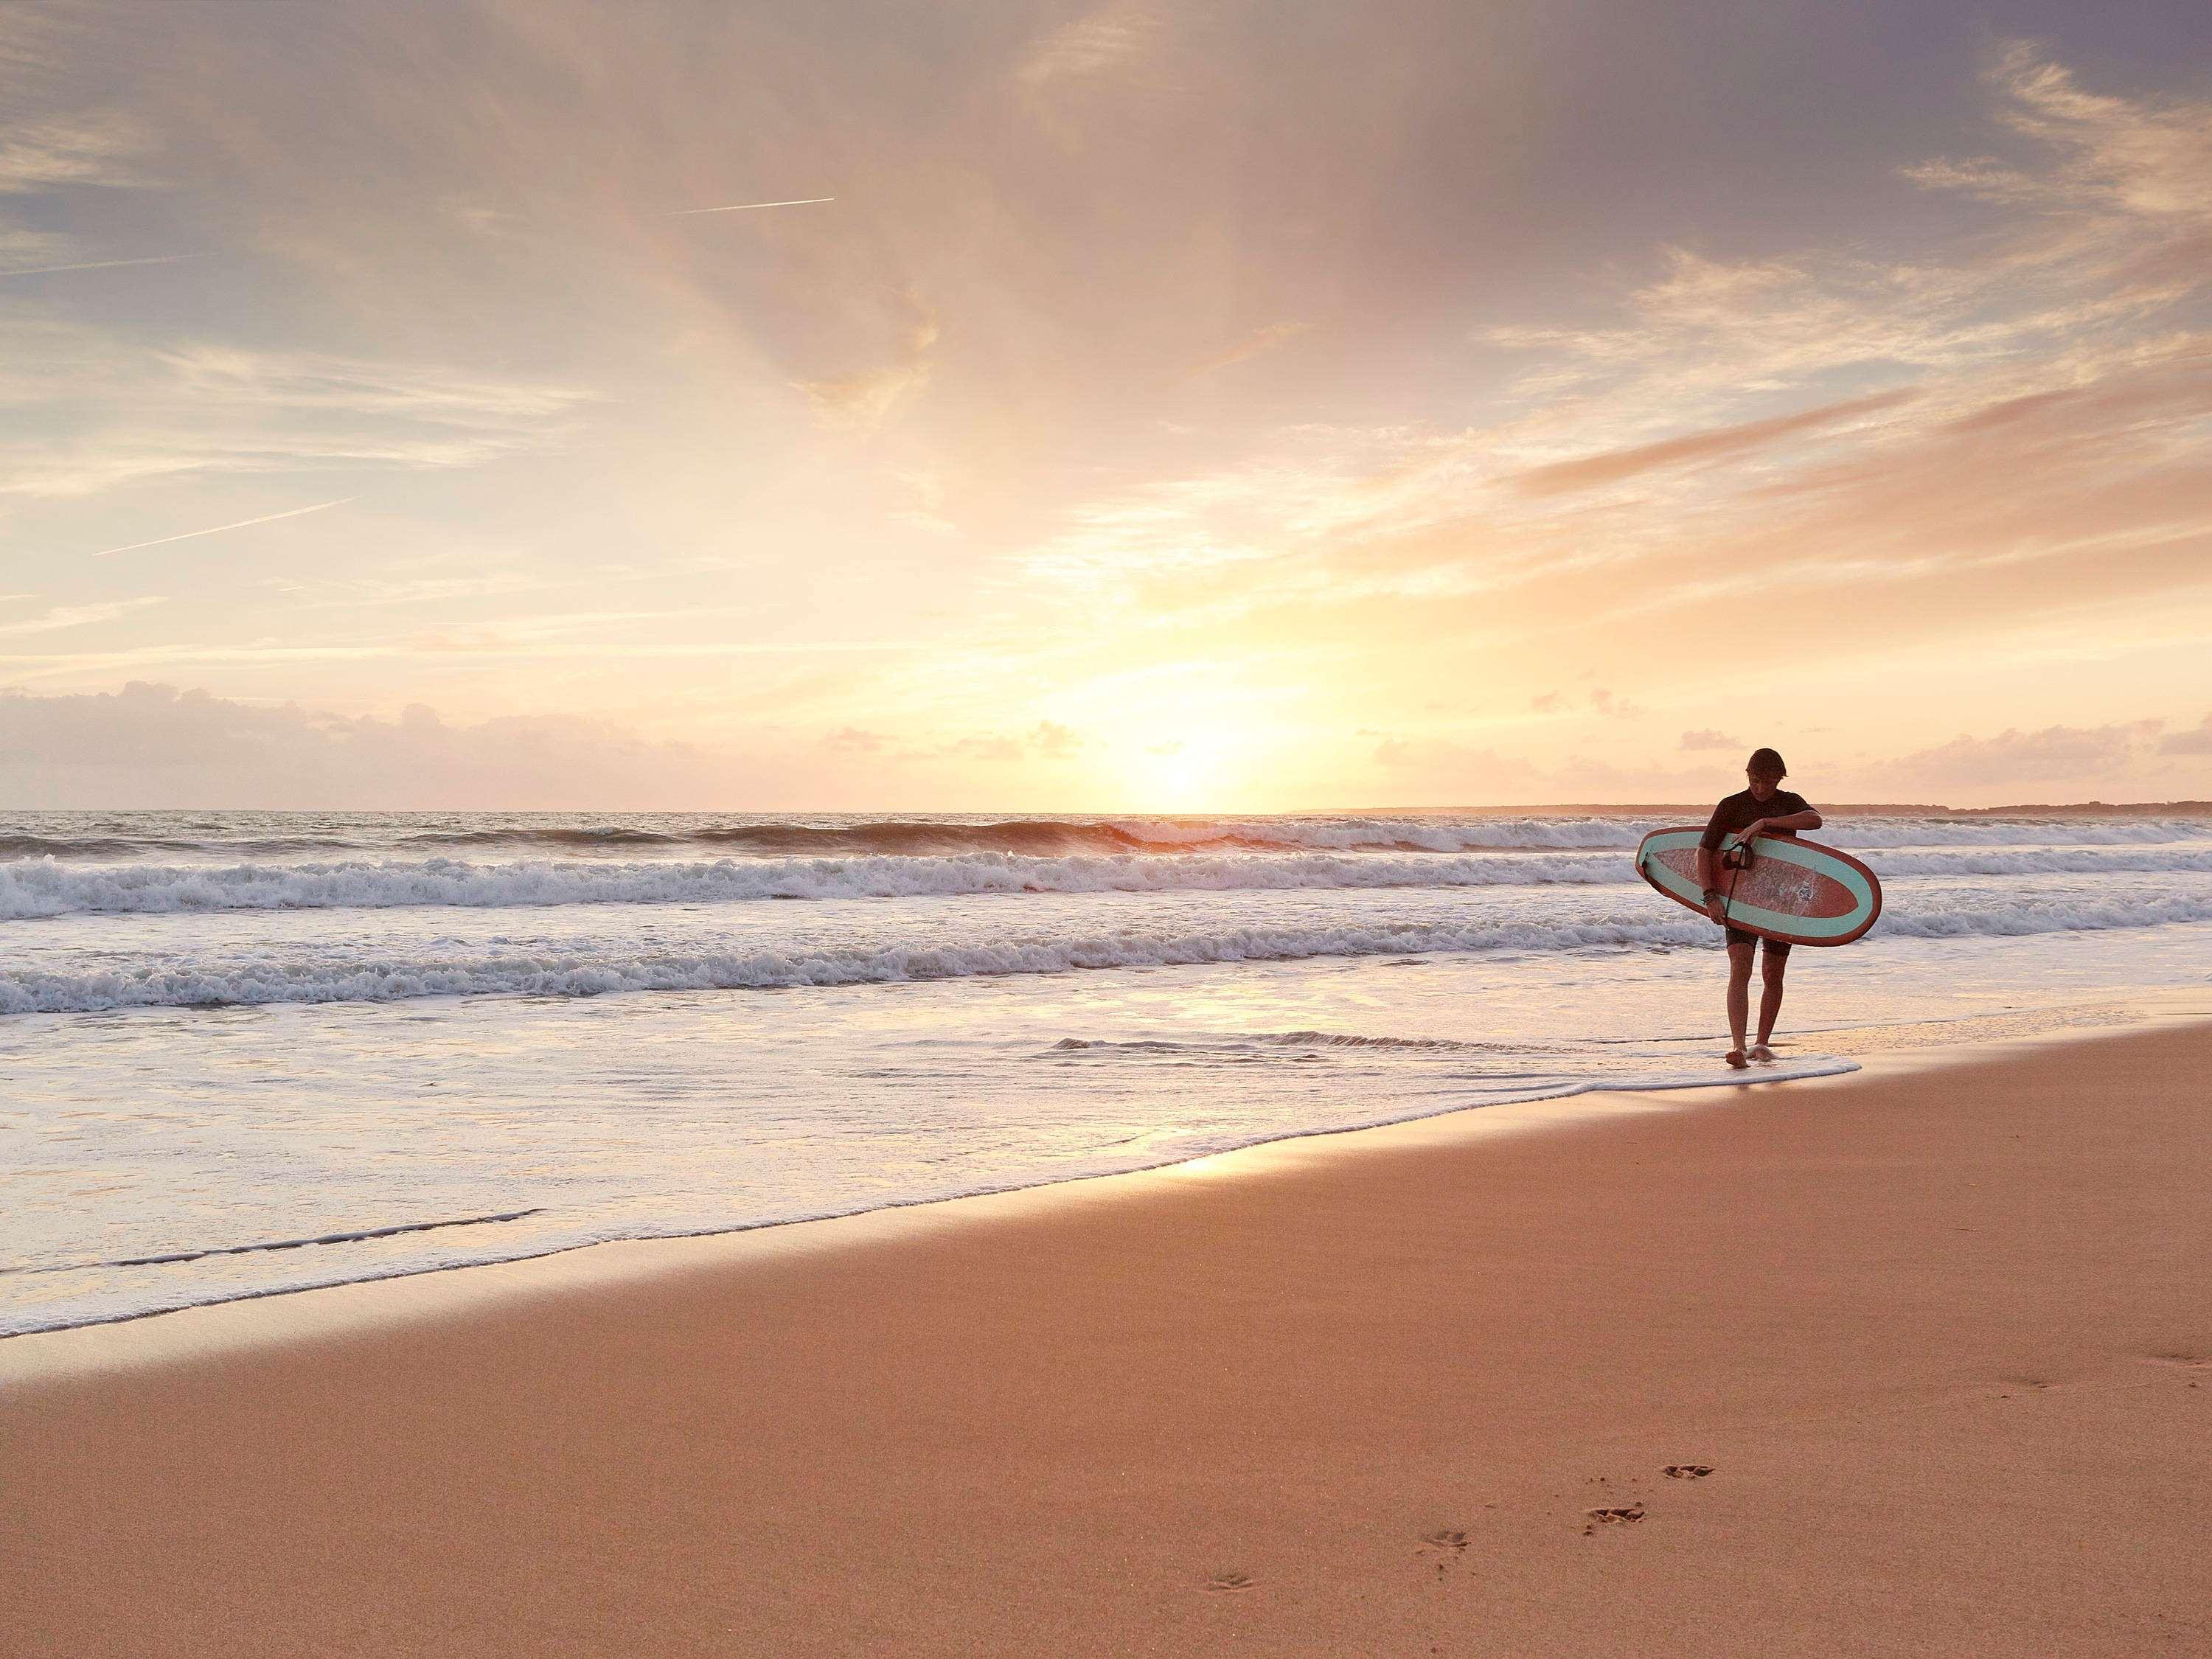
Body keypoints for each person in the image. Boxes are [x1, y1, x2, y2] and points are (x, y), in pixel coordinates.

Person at [1696, 748, 1822, 1070]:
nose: (1761, 788)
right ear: (1747, 775)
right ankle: (1738, 1046)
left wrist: (1764, 823)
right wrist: (1710, 895)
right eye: (1755, 780)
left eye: (1768, 782)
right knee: (1740, 966)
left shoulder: (1789, 801)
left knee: (1773, 973)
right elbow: (1705, 851)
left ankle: (1762, 1043)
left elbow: (1815, 820)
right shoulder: (1731, 804)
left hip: (1780, 901)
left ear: (1779, 779)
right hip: (1741, 900)